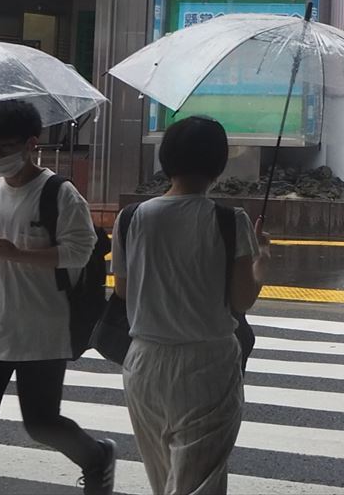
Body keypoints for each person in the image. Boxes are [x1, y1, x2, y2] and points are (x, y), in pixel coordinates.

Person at [0, 99, 115, 495]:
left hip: (43, 328)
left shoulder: (59, 194)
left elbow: (80, 252)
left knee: (41, 423)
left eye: (4, 147)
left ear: (31, 144)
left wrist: (17, 254)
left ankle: (97, 456)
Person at [116, 116, 268, 495]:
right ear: (218, 164)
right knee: (199, 484)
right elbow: (242, 299)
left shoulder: (132, 217)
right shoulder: (230, 221)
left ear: (167, 159)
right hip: (207, 365)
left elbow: (123, 290)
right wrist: (261, 260)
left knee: (165, 479)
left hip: (145, 363)